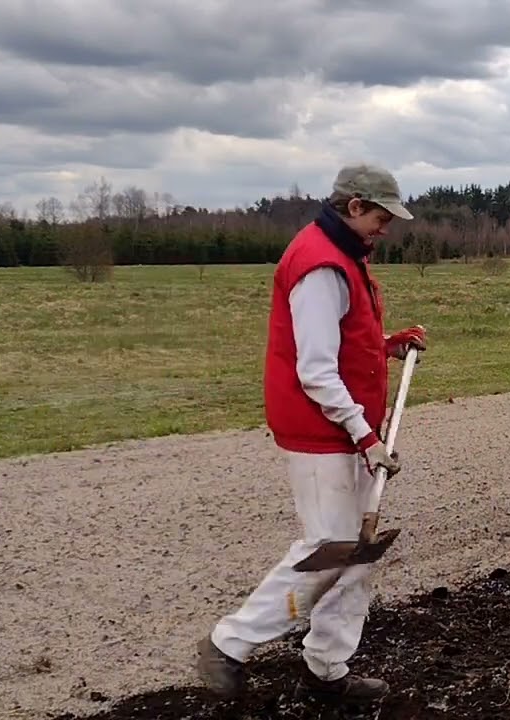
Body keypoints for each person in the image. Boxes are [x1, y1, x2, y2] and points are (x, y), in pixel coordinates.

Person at [195, 163, 426, 705]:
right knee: (332, 550)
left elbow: (341, 343)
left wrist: (387, 344)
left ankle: (326, 669)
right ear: (352, 206)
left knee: (355, 554)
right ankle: (227, 644)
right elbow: (315, 370)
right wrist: (365, 435)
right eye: (379, 216)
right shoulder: (320, 265)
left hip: (343, 430)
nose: (385, 228)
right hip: (320, 431)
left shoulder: (345, 257)